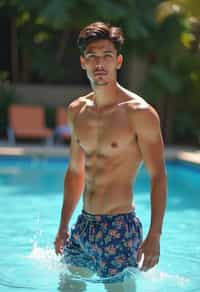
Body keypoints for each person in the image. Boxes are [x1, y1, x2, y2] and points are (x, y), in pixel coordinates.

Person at [54, 21, 167, 290]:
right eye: (92, 56)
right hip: (84, 225)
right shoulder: (76, 111)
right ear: (83, 62)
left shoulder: (140, 113)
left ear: (119, 61)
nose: (99, 64)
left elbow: (158, 176)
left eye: (106, 56)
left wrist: (155, 234)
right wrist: (63, 225)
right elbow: (75, 171)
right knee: (67, 287)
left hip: (119, 228)